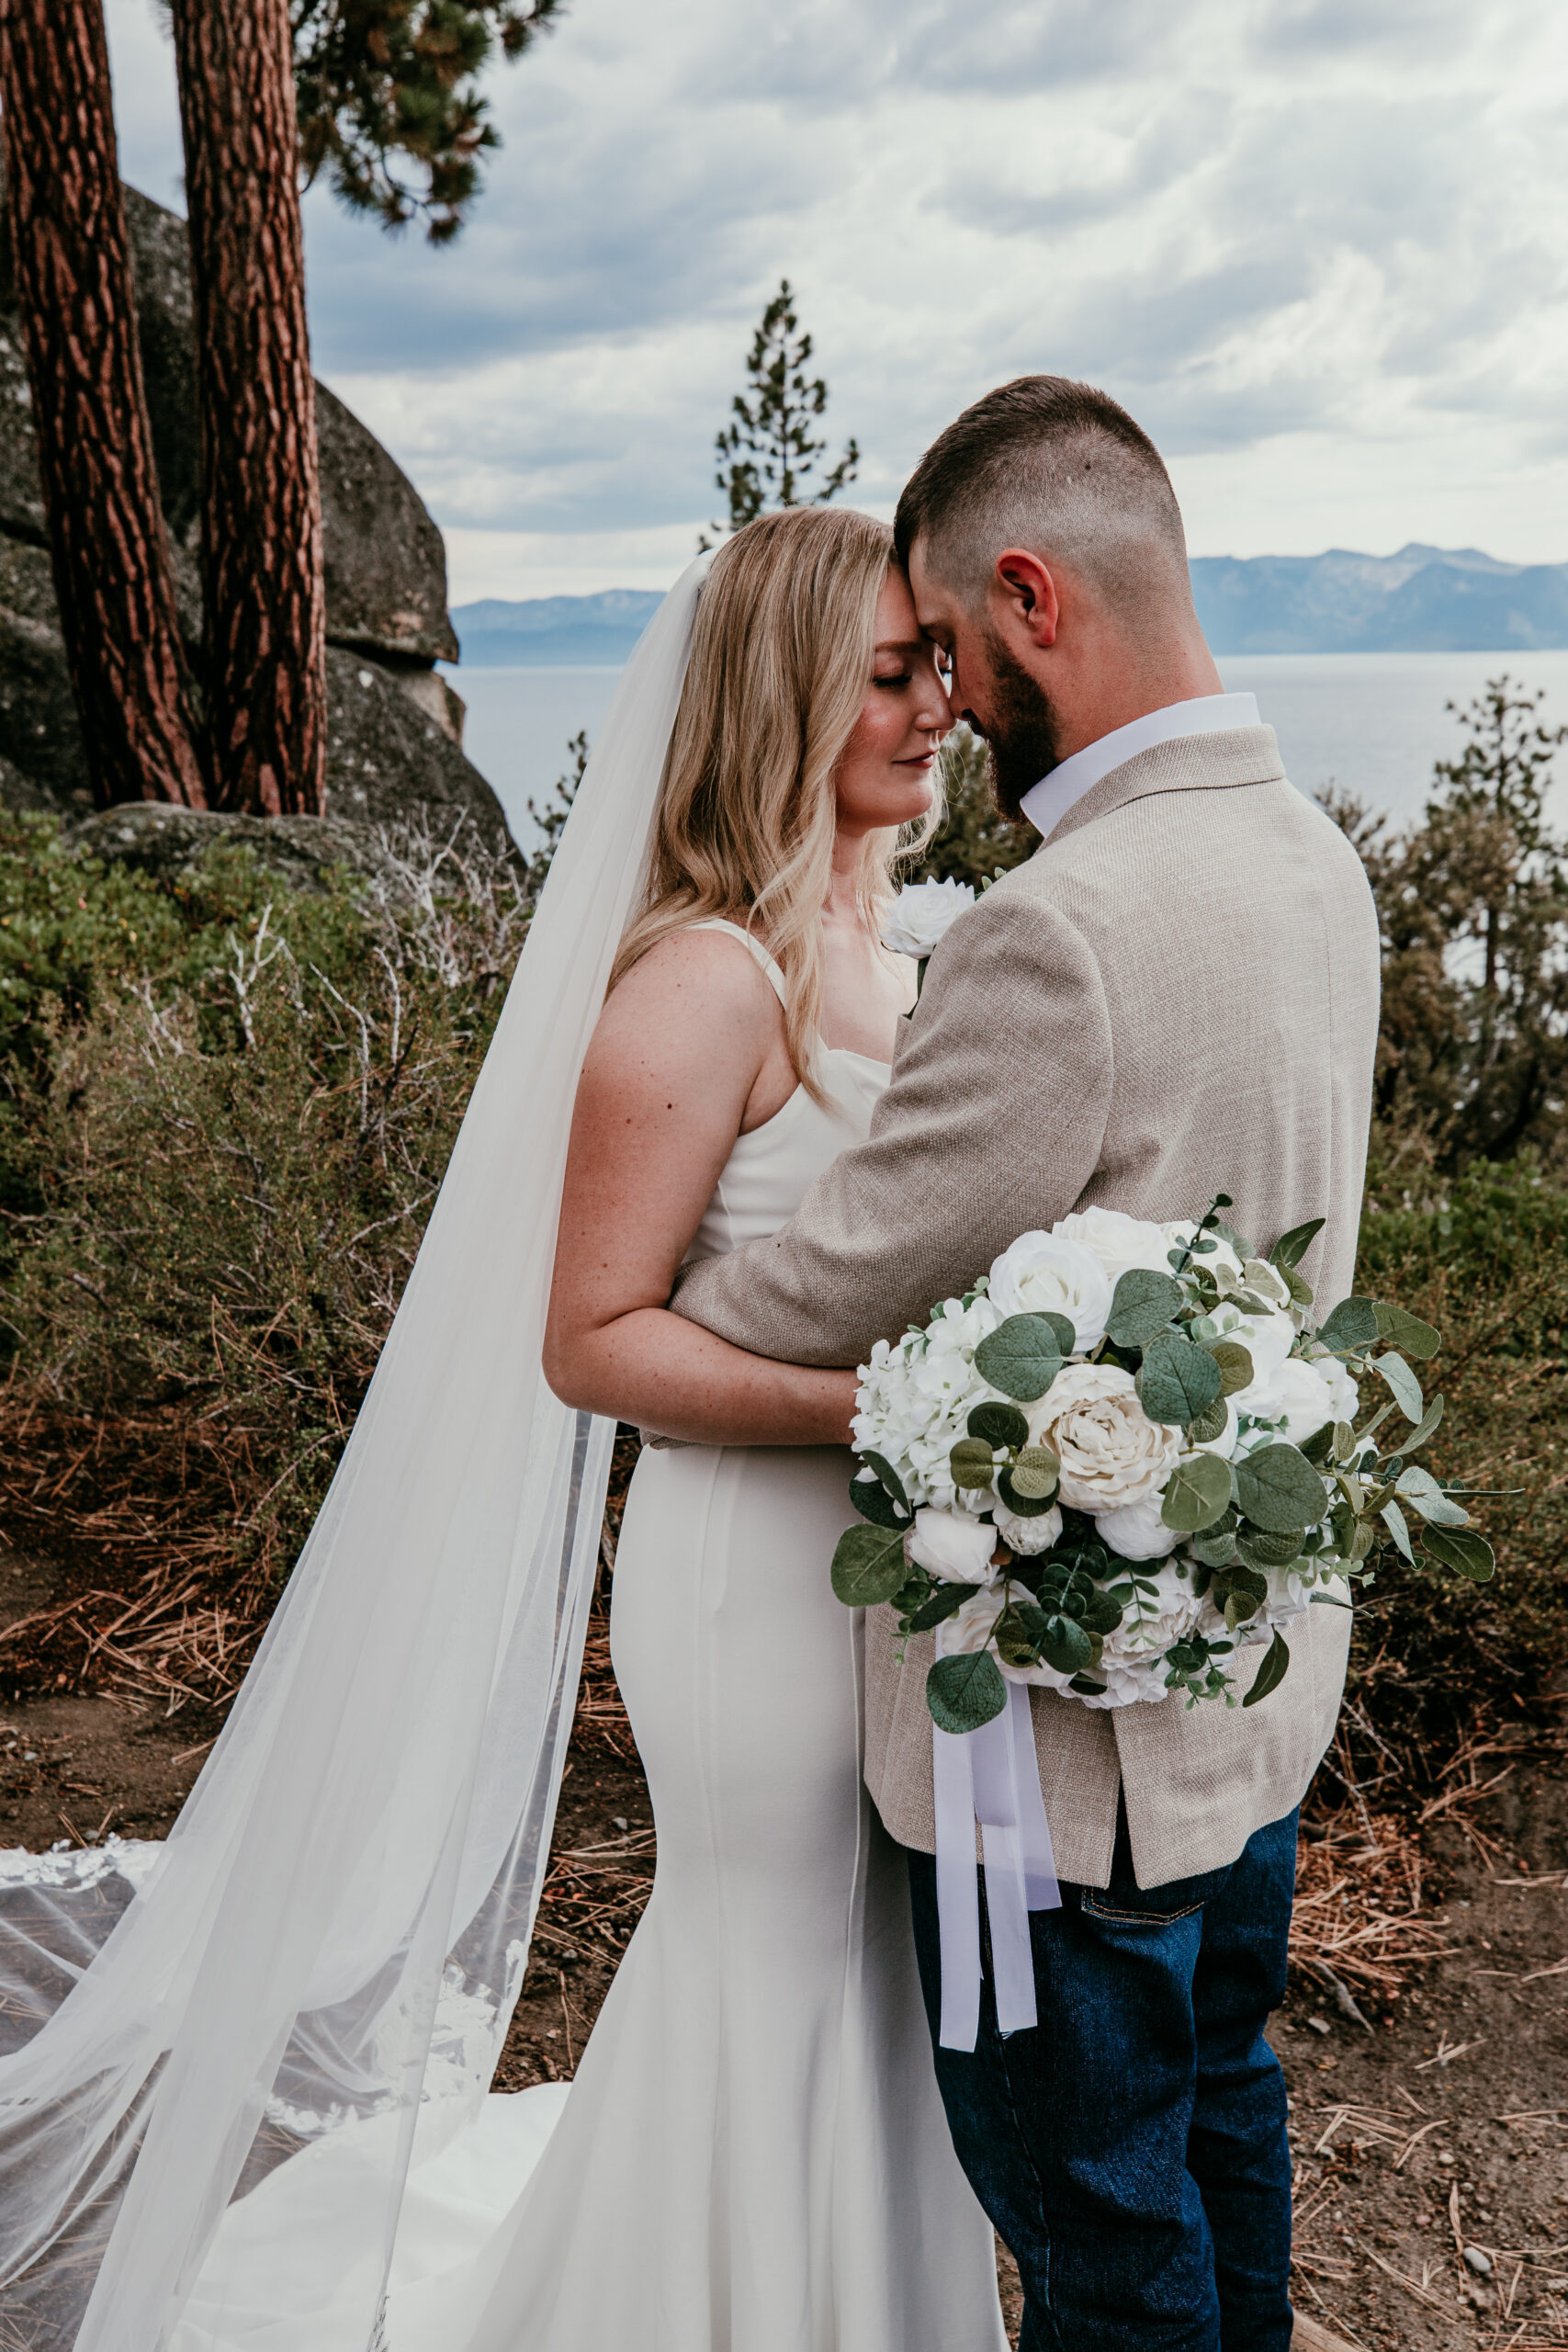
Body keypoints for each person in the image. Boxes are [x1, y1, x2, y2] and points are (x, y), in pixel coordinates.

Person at [0, 508, 1005, 2352]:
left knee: (875, 1986)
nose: (939, 706)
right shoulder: (702, 980)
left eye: (938, 664)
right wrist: (881, 1409)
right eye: (890, 672)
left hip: (888, 1568)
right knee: (775, 1966)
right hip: (750, 1582)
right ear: (786, 698)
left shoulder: (909, 960)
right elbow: (590, 1339)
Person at [671, 376, 1382, 2352]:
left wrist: (659, 1296)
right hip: (1253, 1687)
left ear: (1025, 596)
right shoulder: (1313, 859)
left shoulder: (1054, 929)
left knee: (1095, 2233)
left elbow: (824, 1287)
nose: (951, 708)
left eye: (953, 656)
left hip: (1068, 1770)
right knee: (1225, 2109)